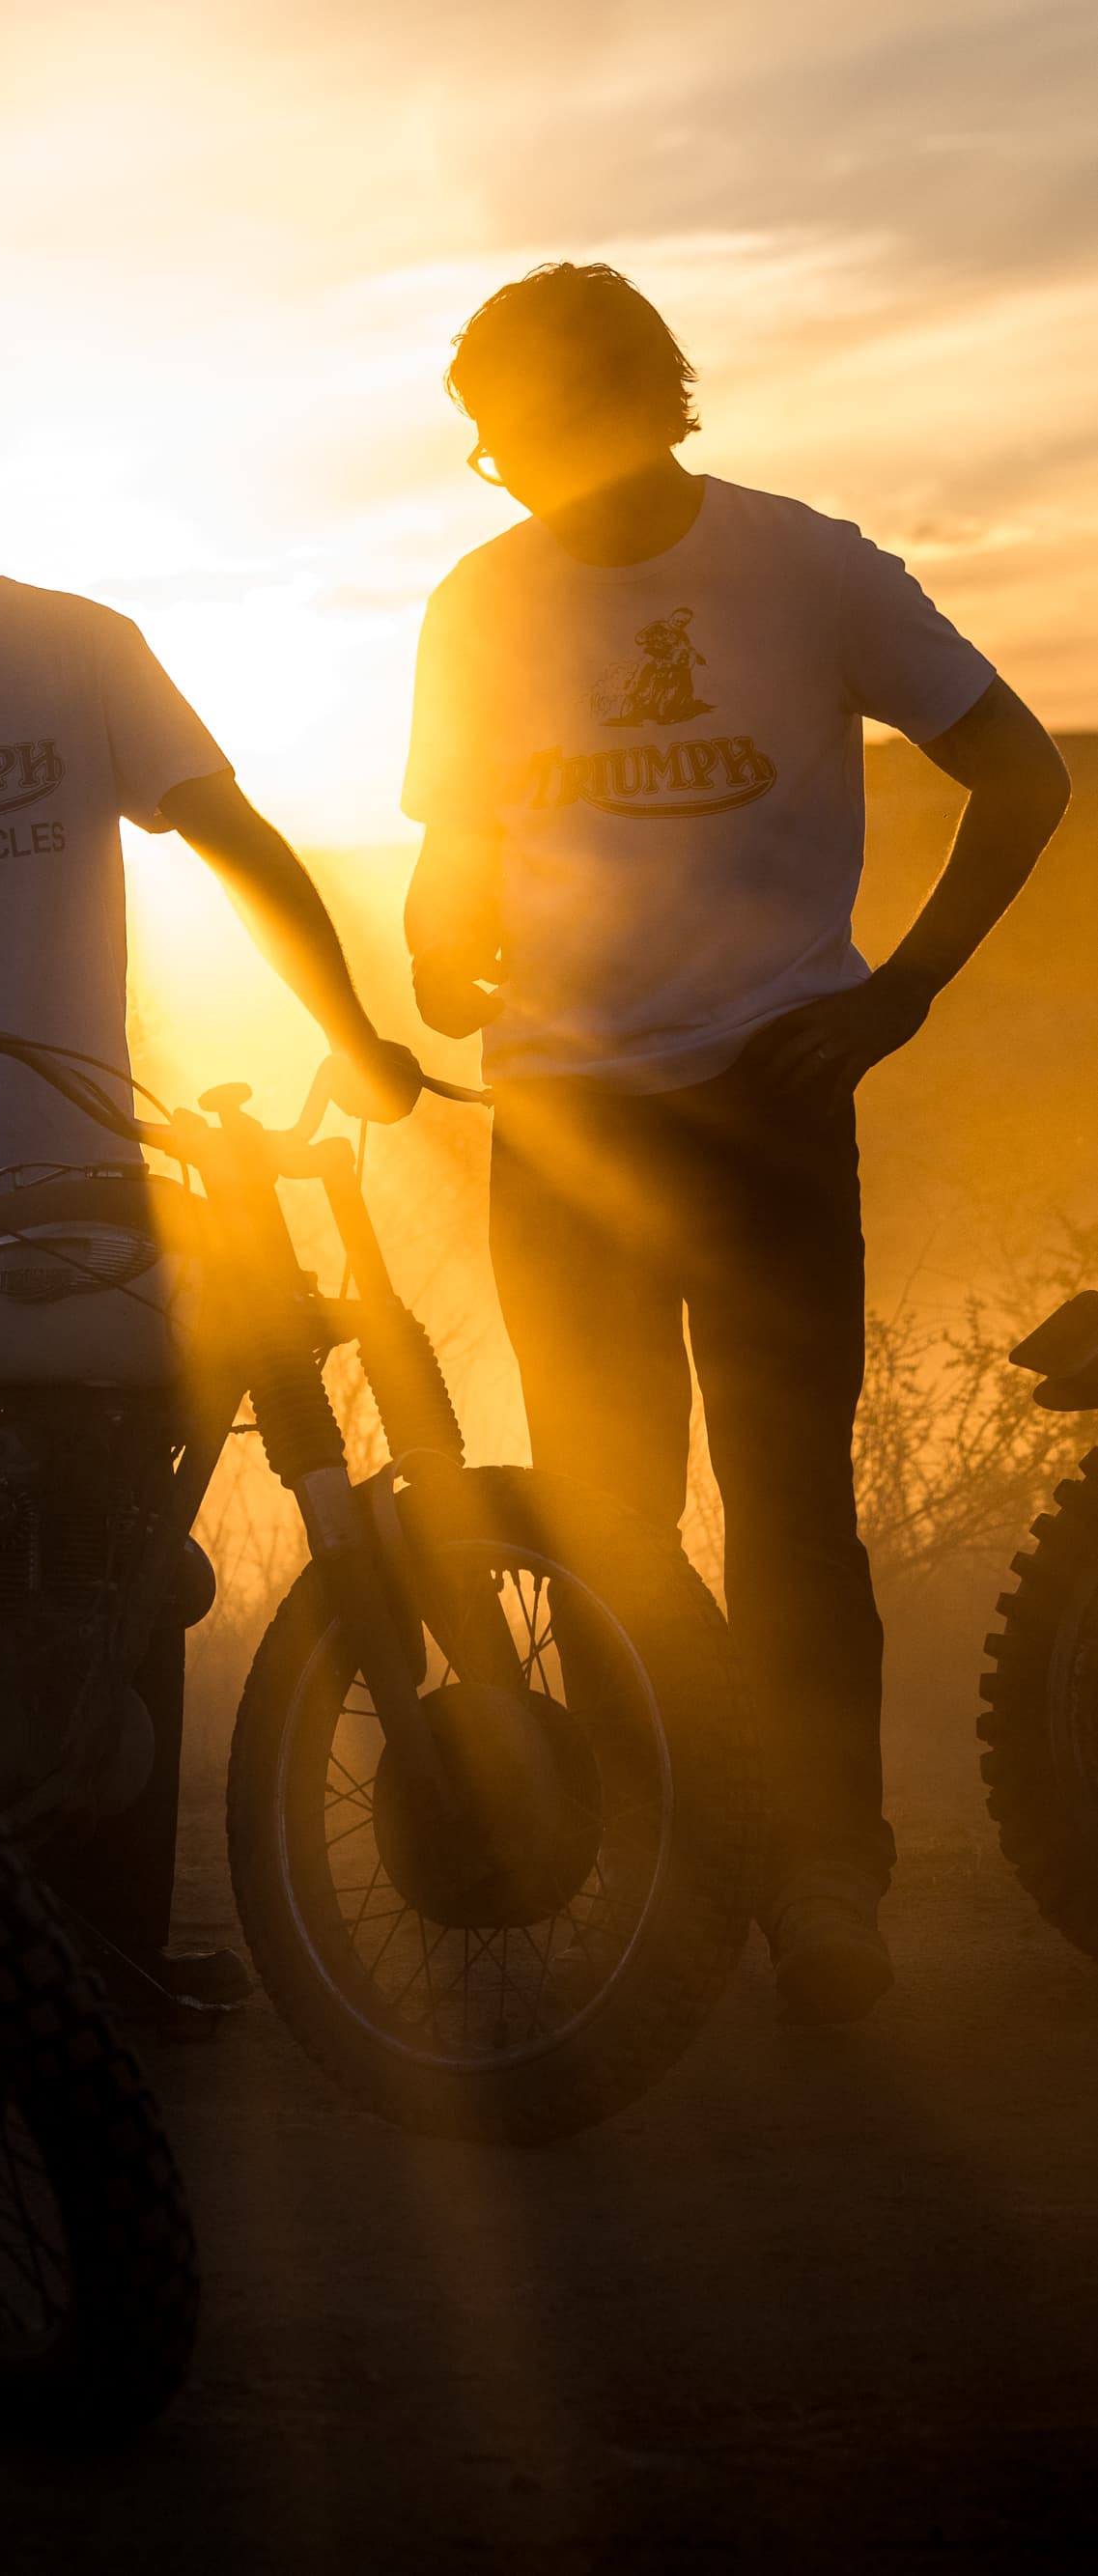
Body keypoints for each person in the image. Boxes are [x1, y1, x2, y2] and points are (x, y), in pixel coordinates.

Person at [402, 264, 1071, 2025]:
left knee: (789, 1518)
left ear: (625, 396)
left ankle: (824, 1887)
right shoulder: (477, 600)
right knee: (604, 1528)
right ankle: (672, 1877)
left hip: (764, 1113)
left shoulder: (807, 566)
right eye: (487, 445)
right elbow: (450, 852)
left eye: (513, 428)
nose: (499, 466)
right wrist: (433, 937)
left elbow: (1022, 775)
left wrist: (900, 994)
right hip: (560, 1121)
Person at [0, 373, 419, 2016]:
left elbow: (233, 839)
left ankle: (101, 1960)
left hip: (71, 1179)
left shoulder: (77, 651)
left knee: (112, 1556)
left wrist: (357, 1033)